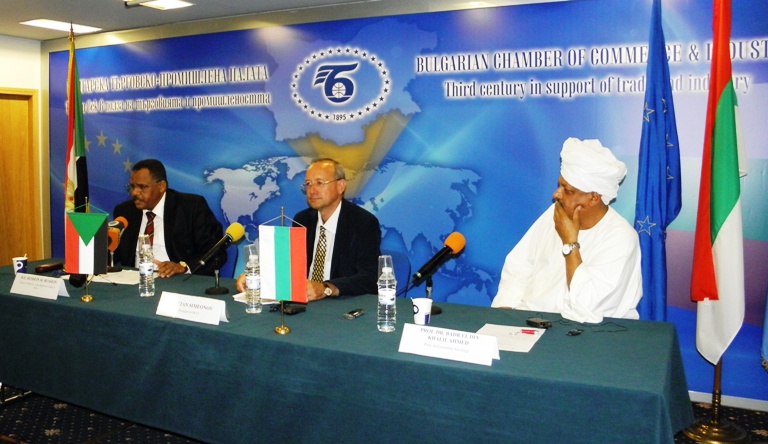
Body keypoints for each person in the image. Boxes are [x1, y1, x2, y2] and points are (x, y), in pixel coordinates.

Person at [492, 138, 642, 323]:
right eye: (559, 185)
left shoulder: (621, 238)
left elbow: (588, 308)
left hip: (586, 330)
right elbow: (519, 265)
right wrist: (505, 312)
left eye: (567, 190)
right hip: (528, 320)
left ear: (594, 198)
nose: (556, 194)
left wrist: (570, 242)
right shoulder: (556, 212)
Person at [236, 158, 381, 301]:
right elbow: (289, 266)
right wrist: (257, 277)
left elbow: (370, 277)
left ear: (340, 186)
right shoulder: (303, 220)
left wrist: (326, 288)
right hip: (303, 302)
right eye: (308, 184)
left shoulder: (363, 223)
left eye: (319, 183)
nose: (312, 191)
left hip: (340, 304)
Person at [113, 159, 226, 278]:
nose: (134, 193)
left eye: (142, 187)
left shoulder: (191, 207)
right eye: (132, 187)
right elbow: (112, 251)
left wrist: (183, 266)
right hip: (136, 280)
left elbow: (215, 250)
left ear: (161, 186)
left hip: (177, 280)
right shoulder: (125, 211)